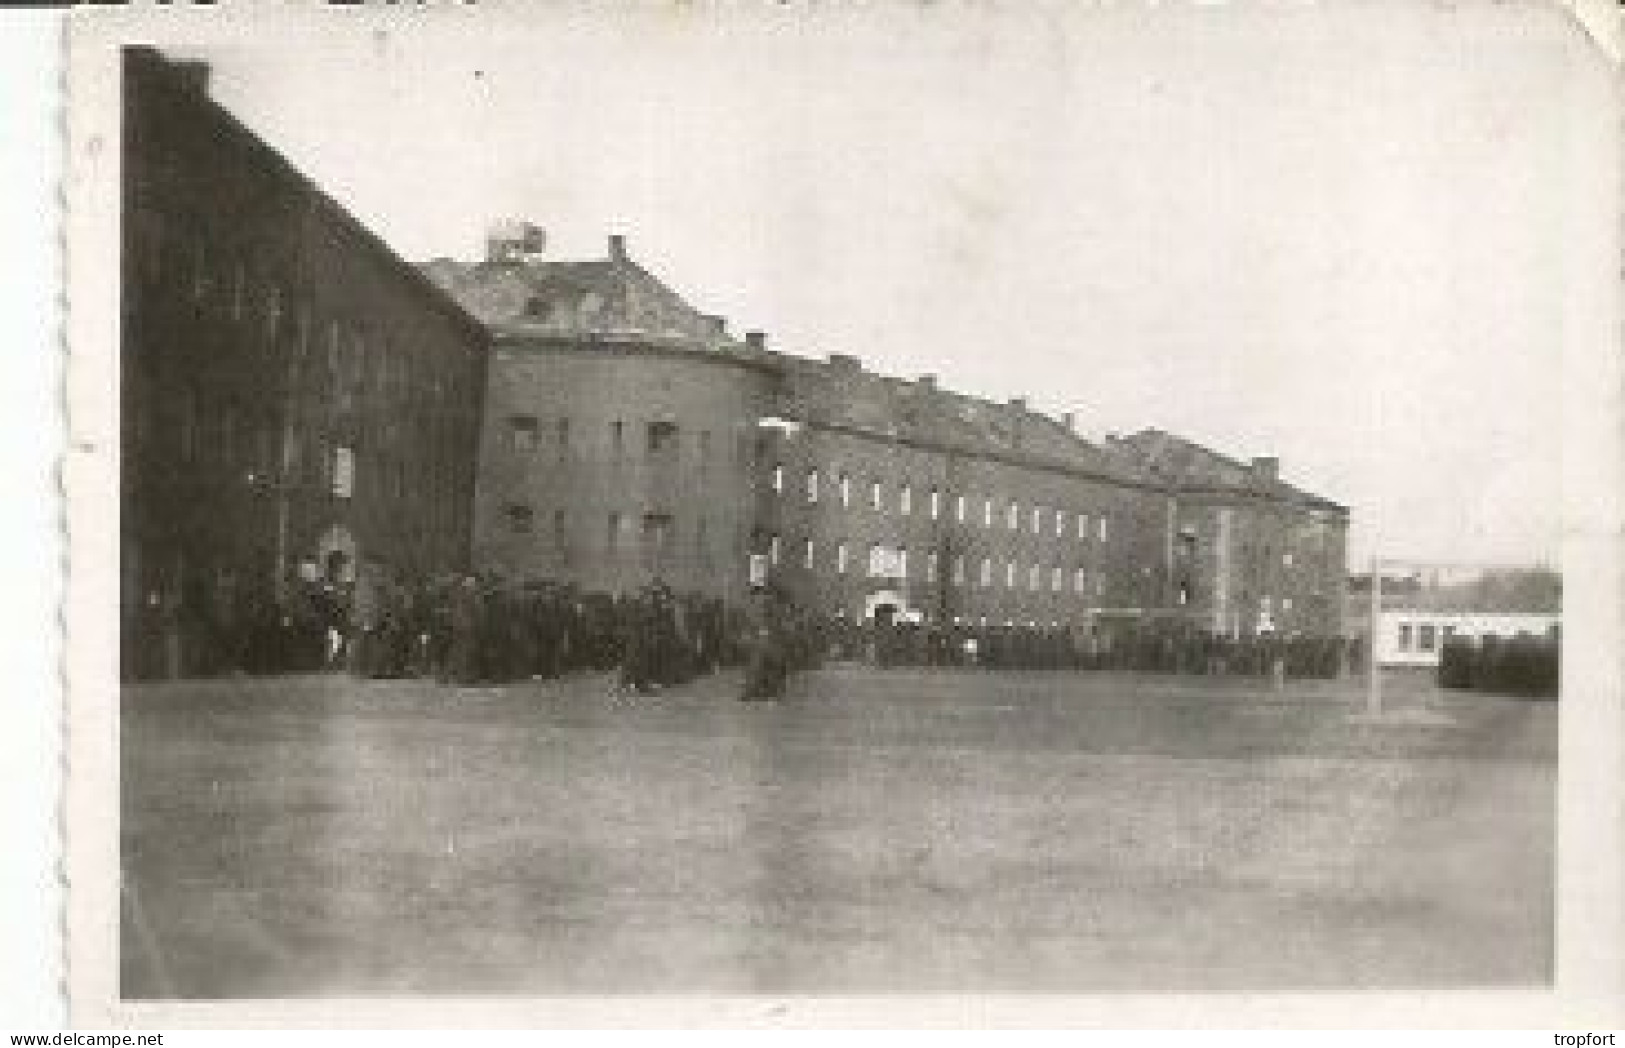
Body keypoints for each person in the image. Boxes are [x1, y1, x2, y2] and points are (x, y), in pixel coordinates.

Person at [739, 583, 787, 701]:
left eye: (764, 595)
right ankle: (751, 691)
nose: (762, 600)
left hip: (771, 641)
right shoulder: (753, 610)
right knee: (755, 667)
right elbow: (749, 625)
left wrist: (773, 632)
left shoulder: (774, 608)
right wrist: (748, 635)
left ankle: (773, 692)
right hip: (759, 642)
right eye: (758, 596)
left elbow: (778, 624)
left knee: (772, 667)